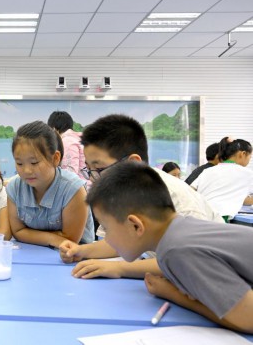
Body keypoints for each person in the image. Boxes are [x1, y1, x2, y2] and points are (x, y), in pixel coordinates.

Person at [86, 161, 253, 334]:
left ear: (136, 226)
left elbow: (249, 319)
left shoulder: (176, 250)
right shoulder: (180, 232)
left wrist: (173, 294)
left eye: (106, 227)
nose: (106, 236)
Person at [59, 114, 222, 279]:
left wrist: (119, 268)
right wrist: (81, 251)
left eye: (99, 169)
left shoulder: (176, 198)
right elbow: (118, 242)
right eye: (89, 170)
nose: (94, 179)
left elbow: (187, 262)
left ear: (133, 164)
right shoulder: (118, 196)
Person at [6, 121, 94, 248]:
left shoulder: (73, 189)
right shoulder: (14, 187)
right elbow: (18, 231)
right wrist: (53, 238)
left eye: (34, 162)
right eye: (19, 163)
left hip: (72, 257)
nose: (26, 171)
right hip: (31, 254)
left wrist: (31, 235)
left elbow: (70, 240)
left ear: (55, 158)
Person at [191, 137, 253, 221]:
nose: (249, 160)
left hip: (197, 216)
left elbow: (190, 190)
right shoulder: (247, 174)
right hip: (219, 219)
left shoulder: (207, 171)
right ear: (242, 154)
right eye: (250, 156)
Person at [47, 111, 87, 181]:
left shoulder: (67, 142)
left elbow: (70, 174)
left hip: (79, 188)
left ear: (54, 128)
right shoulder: (76, 139)